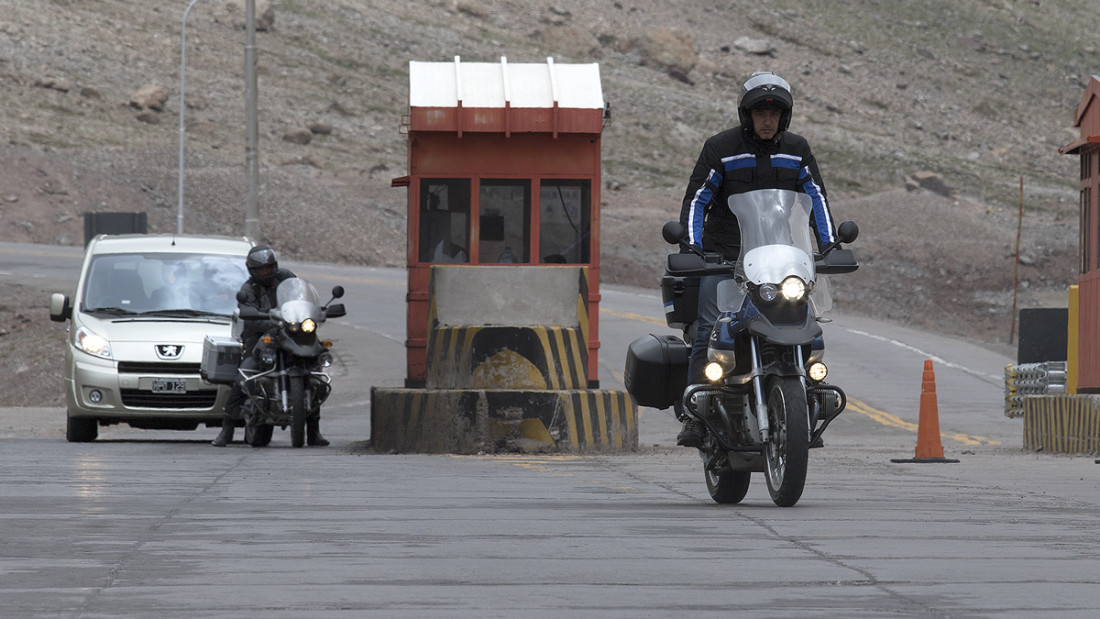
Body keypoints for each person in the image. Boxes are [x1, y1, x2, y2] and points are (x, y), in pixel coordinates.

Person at [675, 71, 838, 447]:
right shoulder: (721, 148)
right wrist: (694, 249)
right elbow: (697, 200)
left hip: (779, 257)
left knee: (805, 320)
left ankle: (810, 398)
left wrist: (829, 245)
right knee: (709, 327)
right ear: (745, 115)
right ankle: (696, 412)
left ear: (786, 116)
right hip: (724, 258)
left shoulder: (797, 150)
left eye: (775, 113)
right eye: (760, 113)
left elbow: (816, 199)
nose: (767, 120)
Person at [211, 245, 329, 447]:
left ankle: (314, 432)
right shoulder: (248, 289)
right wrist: (269, 320)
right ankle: (227, 430)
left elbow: (300, 296)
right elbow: (247, 313)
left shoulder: (285, 277)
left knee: (314, 371)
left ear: (274, 266)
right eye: (261, 269)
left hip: (291, 331)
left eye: (268, 268)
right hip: (260, 335)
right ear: (253, 271)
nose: (266, 272)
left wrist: (315, 312)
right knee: (244, 376)